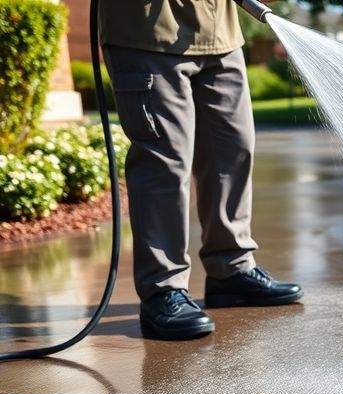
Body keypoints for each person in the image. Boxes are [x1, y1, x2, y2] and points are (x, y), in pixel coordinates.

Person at [100, 0, 301, 340]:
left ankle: (231, 271)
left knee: (233, 148)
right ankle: (162, 289)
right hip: (149, 31)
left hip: (220, 32)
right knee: (165, 161)